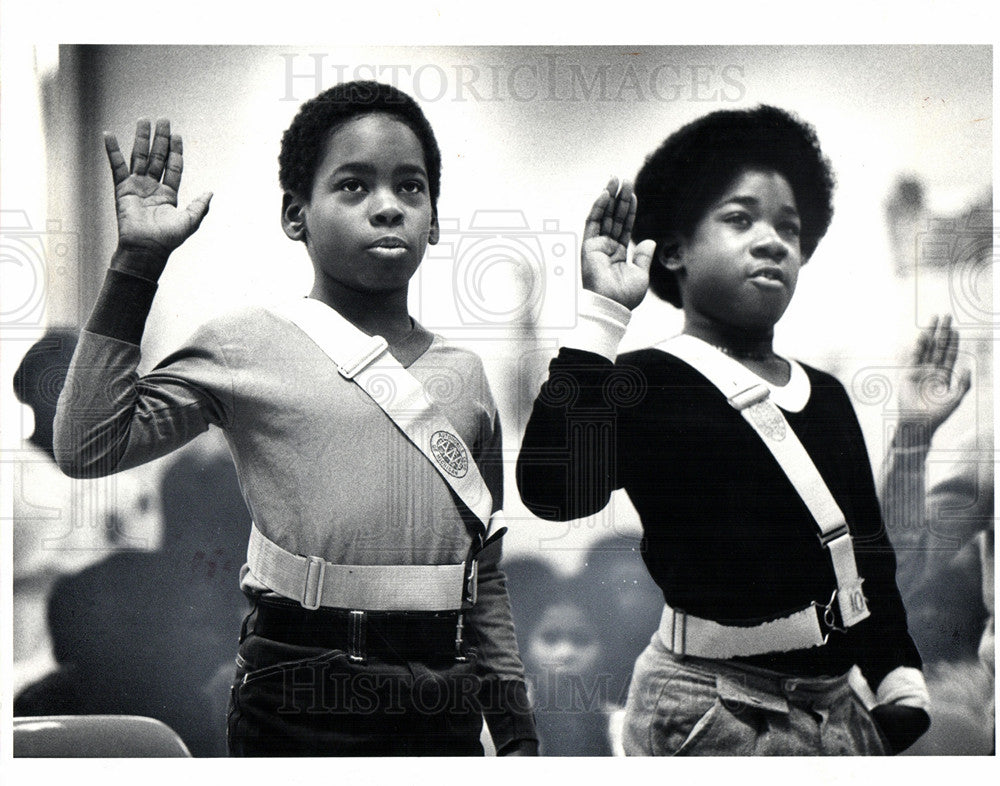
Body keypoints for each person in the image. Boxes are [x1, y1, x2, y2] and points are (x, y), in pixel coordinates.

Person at [53, 81, 537, 756]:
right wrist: (138, 261)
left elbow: (484, 577)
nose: (388, 207)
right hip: (295, 691)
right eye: (353, 186)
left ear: (434, 218)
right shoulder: (243, 344)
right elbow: (88, 445)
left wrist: (516, 730)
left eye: (411, 187)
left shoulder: (466, 378)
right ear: (295, 214)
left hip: (439, 698)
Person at [516, 105, 936, 755]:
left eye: (789, 229)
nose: (771, 241)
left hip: (835, 704)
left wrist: (897, 680)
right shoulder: (644, 381)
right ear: (676, 250)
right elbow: (554, 488)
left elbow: (865, 559)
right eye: (739, 219)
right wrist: (601, 314)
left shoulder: (825, 396)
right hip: (709, 706)